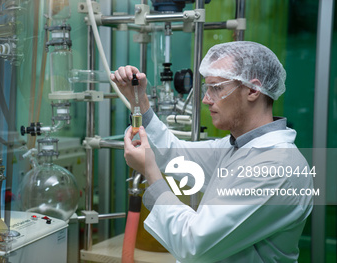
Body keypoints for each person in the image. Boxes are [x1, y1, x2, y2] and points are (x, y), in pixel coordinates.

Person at [111, 41, 314, 262]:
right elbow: (172, 154)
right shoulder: (235, 147)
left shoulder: (276, 167)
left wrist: (151, 174)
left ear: (253, 90)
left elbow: (194, 243)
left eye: (216, 88)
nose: (206, 99)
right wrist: (138, 100)